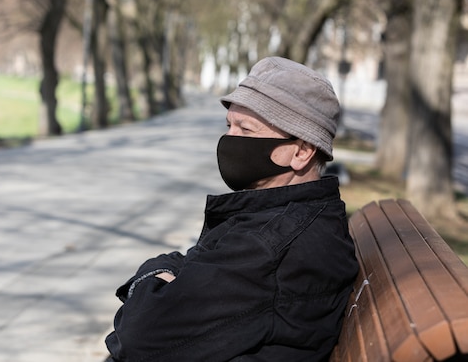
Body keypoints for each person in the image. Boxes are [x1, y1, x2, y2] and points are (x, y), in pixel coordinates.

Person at [104, 56, 359, 361]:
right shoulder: (282, 218)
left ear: (302, 151)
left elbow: (136, 336)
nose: (229, 140)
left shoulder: (270, 245)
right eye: (229, 126)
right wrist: (168, 277)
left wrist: (157, 273)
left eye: (247, 131)